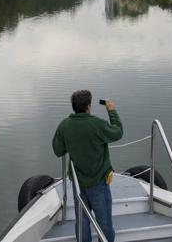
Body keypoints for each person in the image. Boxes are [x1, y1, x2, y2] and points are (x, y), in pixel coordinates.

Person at [52, 90, 123, 242]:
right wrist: (112, 111)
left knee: (82, 223)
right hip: (99, 185)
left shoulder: (64, 125)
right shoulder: (97, 124)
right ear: (89, 106)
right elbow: (117, 132)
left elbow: (58, 150)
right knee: (104, 225)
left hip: (78, 185)